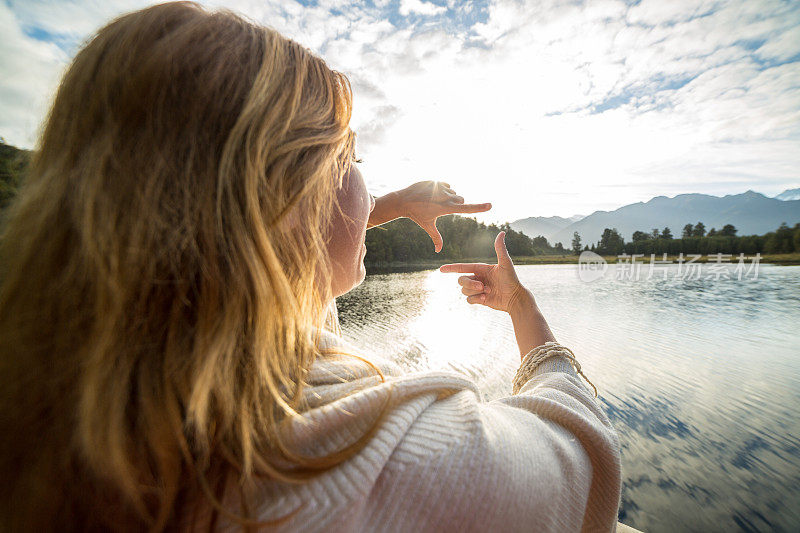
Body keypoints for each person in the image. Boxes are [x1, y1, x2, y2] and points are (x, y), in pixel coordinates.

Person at [0, 2, 621, 531]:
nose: (362, 182)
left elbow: (260, 245)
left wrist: (394, 205)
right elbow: (579, 456)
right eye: (352, 156)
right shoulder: (379, 456)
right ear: (287, 205)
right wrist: (524, 309)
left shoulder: (76, 396)